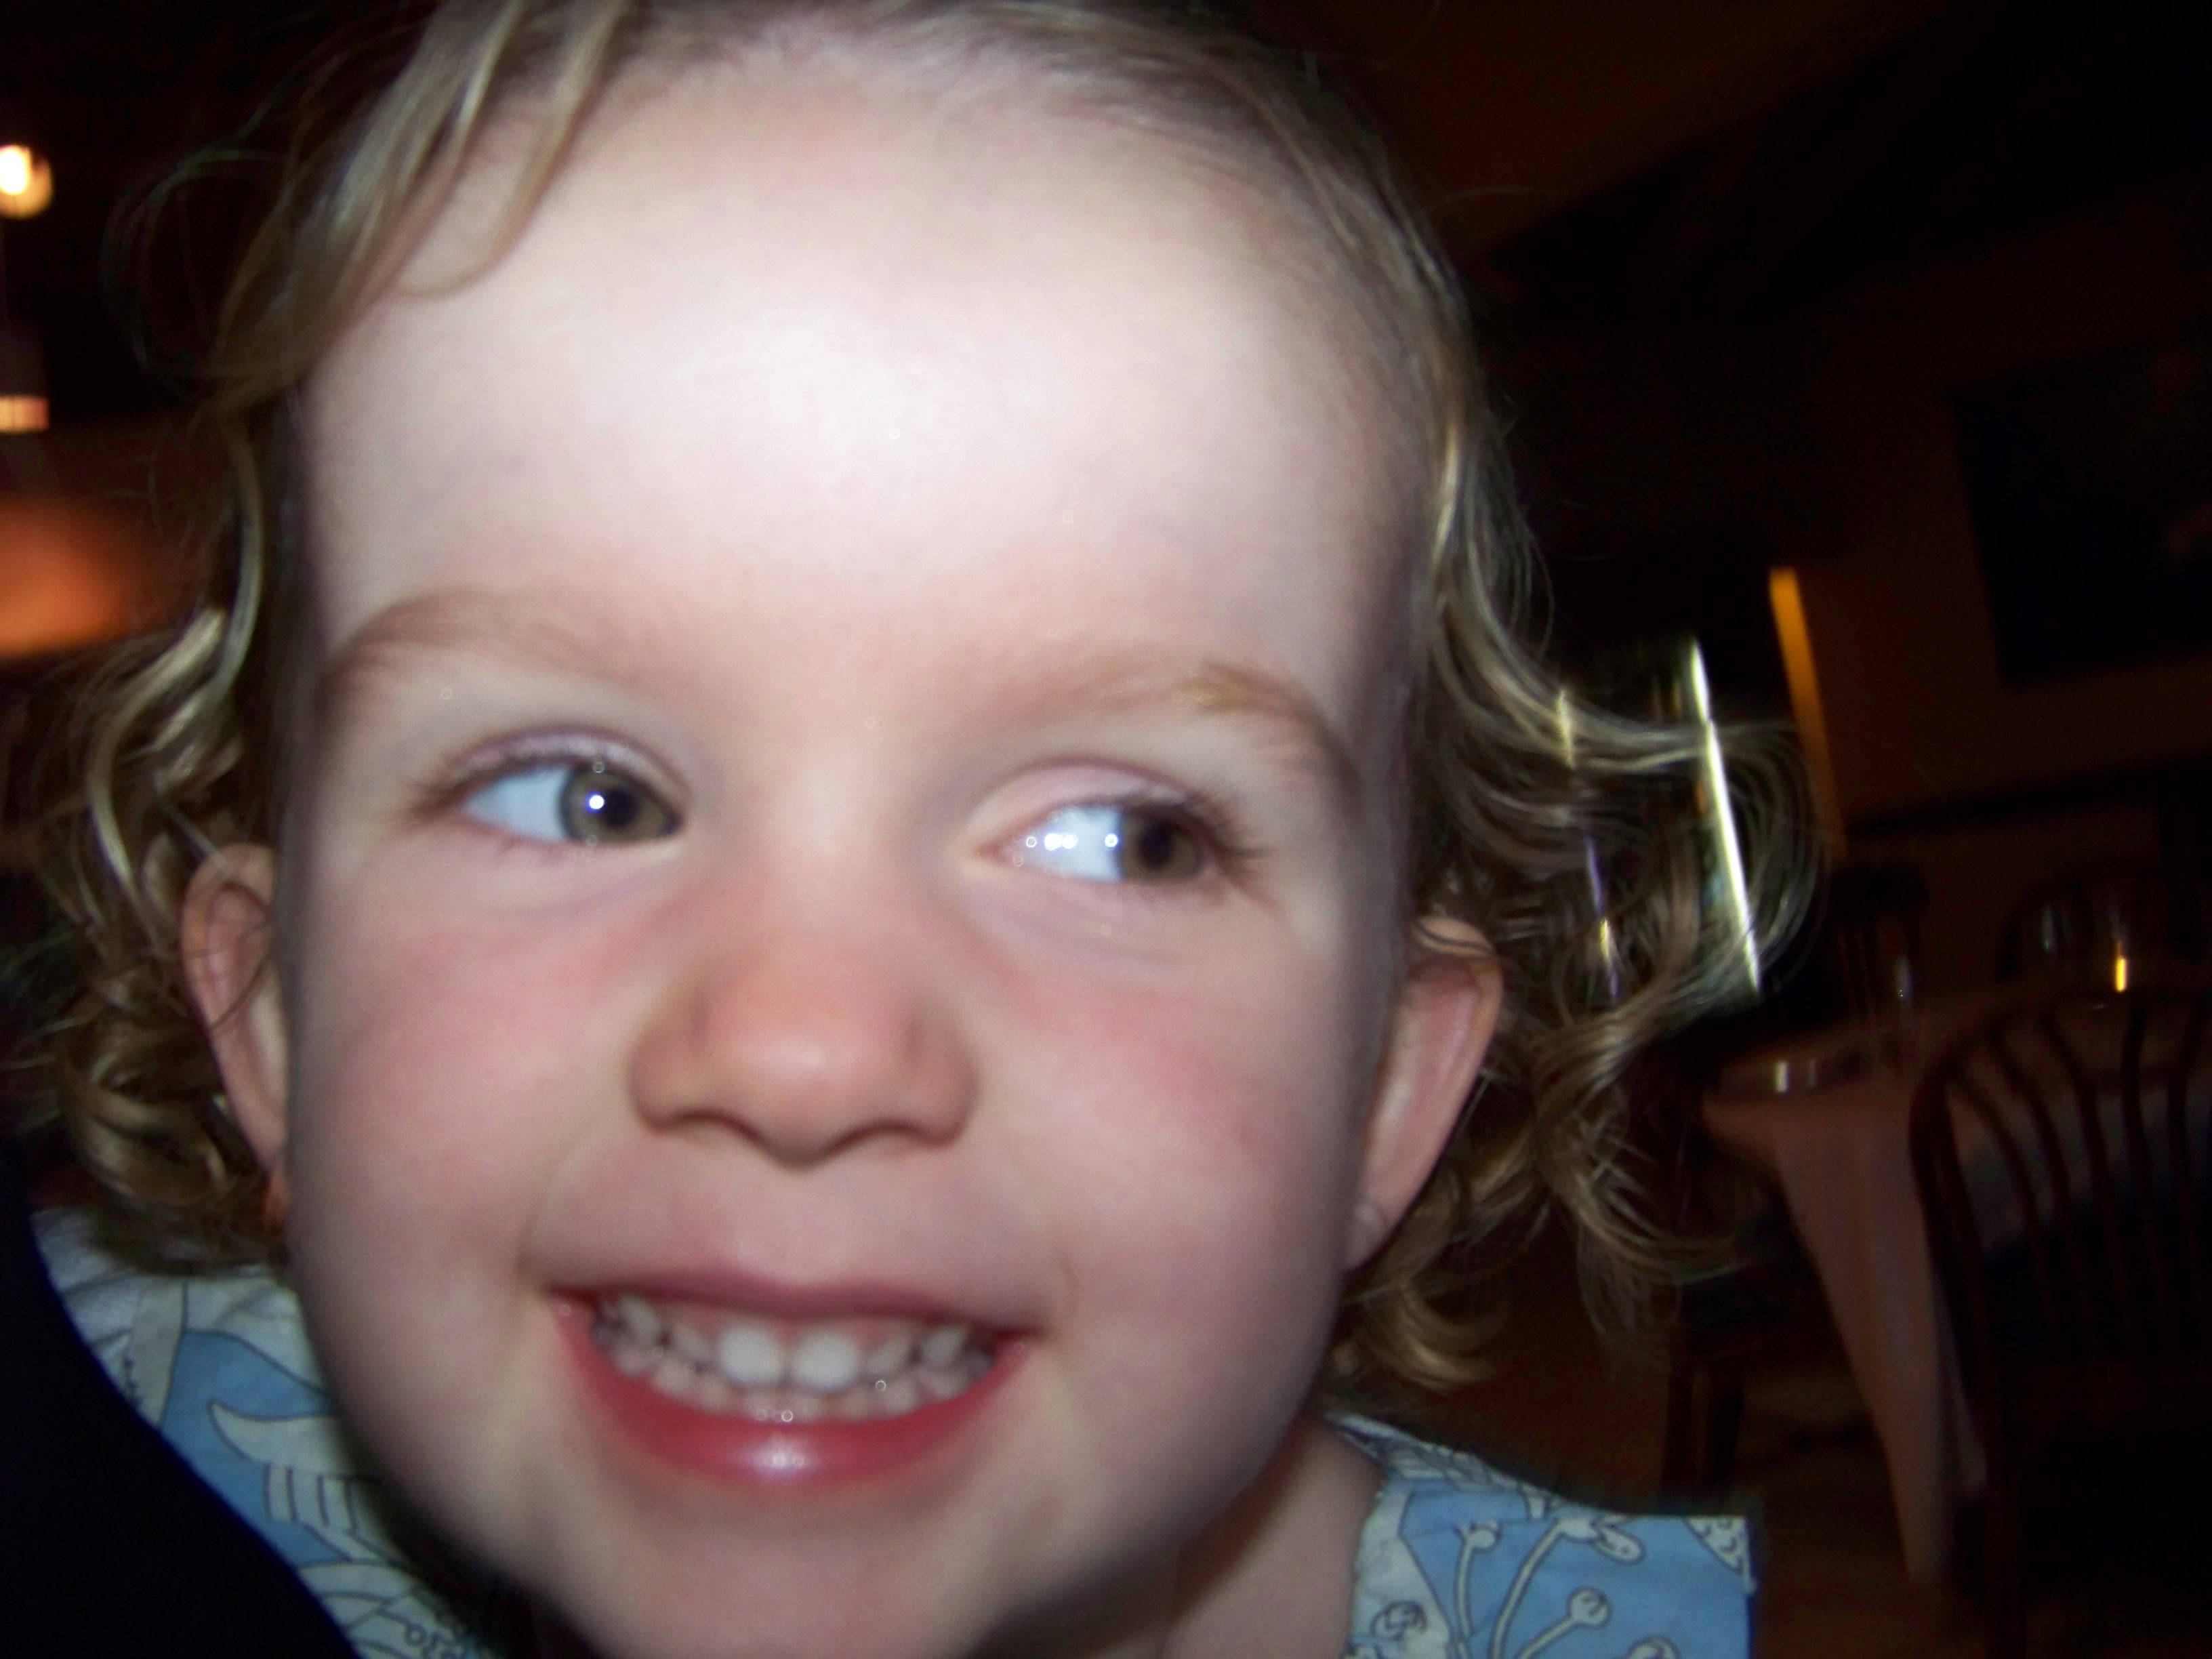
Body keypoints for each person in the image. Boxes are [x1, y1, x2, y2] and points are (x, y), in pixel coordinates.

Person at [13, 2, 1807, 1655]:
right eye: (584, 799)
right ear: (271, 1013)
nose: (804, 1052)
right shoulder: (107, 1493)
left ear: (1390, 1088)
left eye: (1122, 836)